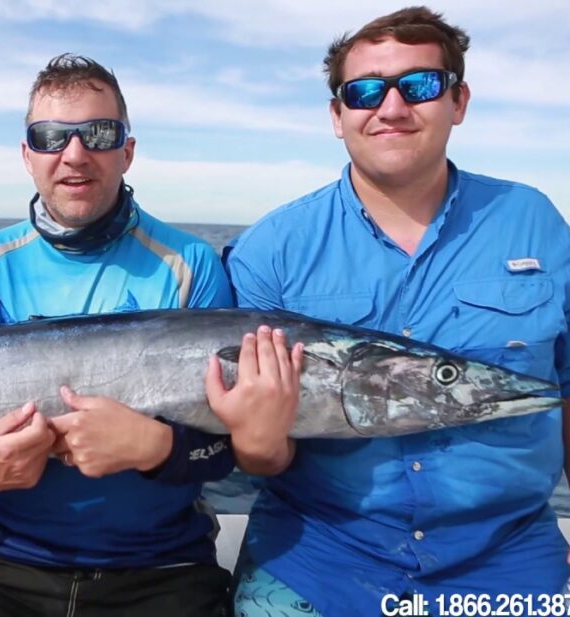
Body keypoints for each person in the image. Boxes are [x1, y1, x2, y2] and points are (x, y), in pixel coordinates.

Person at [223, 7, 570, 615]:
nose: (390, 108)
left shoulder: (535, 222)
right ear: (338, 115)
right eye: (363, 91)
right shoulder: (269, 250)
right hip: (317, 558)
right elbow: (259, 455)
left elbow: (563, 390)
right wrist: (256, 444)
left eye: (419, 85)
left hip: (509, 557)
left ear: (457, 101)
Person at [0, 53, 302, 617]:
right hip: (6, 569)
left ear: (127, 151)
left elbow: (228, 443)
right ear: (27, 155)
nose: (75, 154)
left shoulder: (190, 264)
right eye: (52, 136)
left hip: (163, 570)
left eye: (99, 133)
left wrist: (152, 447)